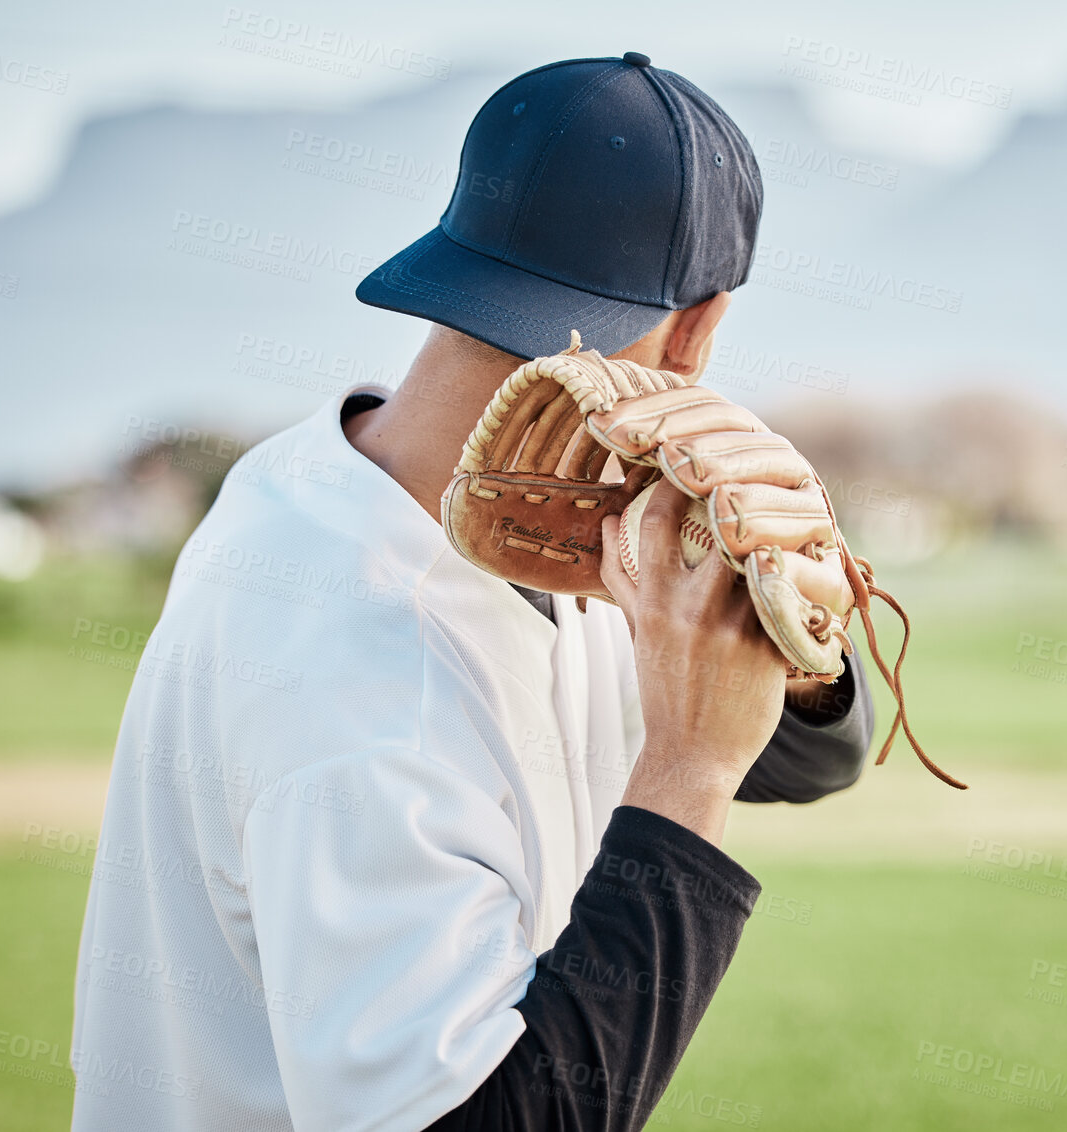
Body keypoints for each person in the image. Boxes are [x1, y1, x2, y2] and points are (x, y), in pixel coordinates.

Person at [69, 51, 874, 1130]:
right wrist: (687, 770)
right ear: (699, 331)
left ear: (459, 260)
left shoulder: (514, 515)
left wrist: (798, 643)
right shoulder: (360, 655)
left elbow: (816, 756)